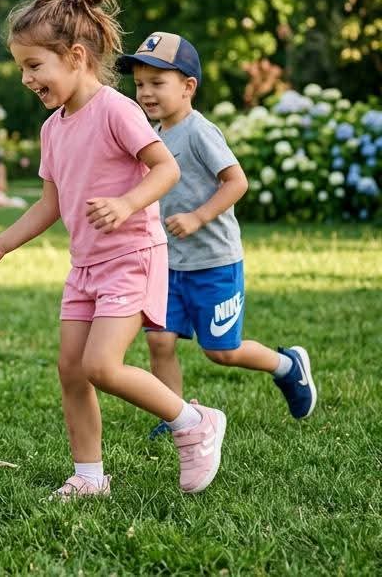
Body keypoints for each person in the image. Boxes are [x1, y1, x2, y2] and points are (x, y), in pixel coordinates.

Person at [0, 0, 228, 499]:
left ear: (76, 56)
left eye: (34, 65)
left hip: (131, 257)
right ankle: (88, 476)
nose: (26, 79)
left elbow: (166, 169)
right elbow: (50, 204)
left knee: (101, 365)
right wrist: (1, 245)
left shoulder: (116, 110)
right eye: (21, 68)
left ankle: (194, 421)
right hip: (84, 268)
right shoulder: (52, 129)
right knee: (71, 370)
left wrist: (126, 203)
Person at [117, 32, 317, 439]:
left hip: (214, 262)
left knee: (221, 351)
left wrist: (198, 217)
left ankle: (287, 366)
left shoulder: (199, 131)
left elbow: (236, 181)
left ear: (188, 86)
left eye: (157, 83)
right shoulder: (152, 135)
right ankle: (175, 415)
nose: (146, 93)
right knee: (159, 341)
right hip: (168, 263)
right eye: (139, 84)